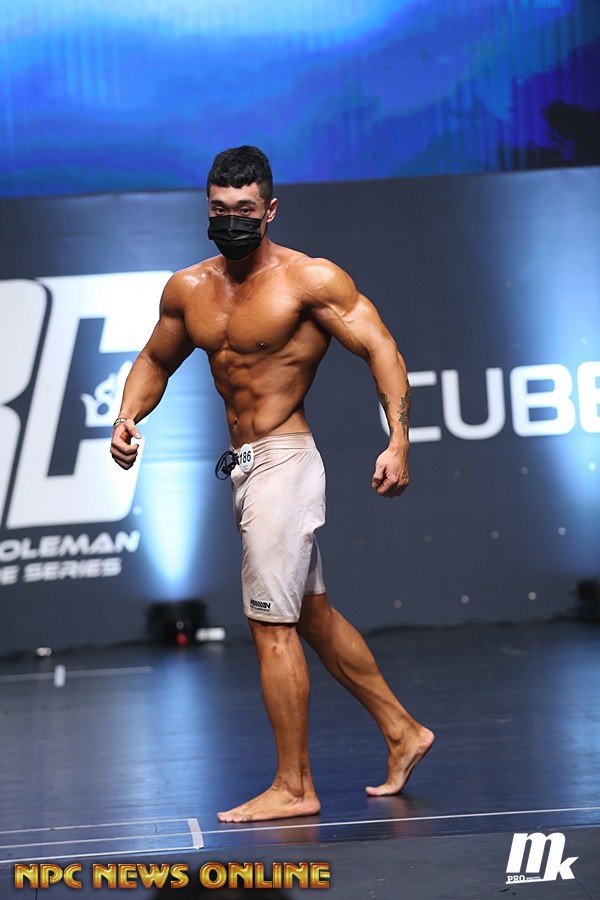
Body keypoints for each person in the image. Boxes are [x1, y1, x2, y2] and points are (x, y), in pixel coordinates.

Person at [110, 146, 434, 823]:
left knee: (270, 626)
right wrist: (126, 417)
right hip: (245, 466)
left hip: (285, 461)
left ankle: (294, 786)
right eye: (219, 209)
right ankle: (403, 731)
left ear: (270, 210)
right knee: (311, 616)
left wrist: (398, 439)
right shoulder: (189, 289)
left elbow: (382, 348)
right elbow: (155, 360)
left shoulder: (309, 281)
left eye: (244, 210)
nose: (230, 220)